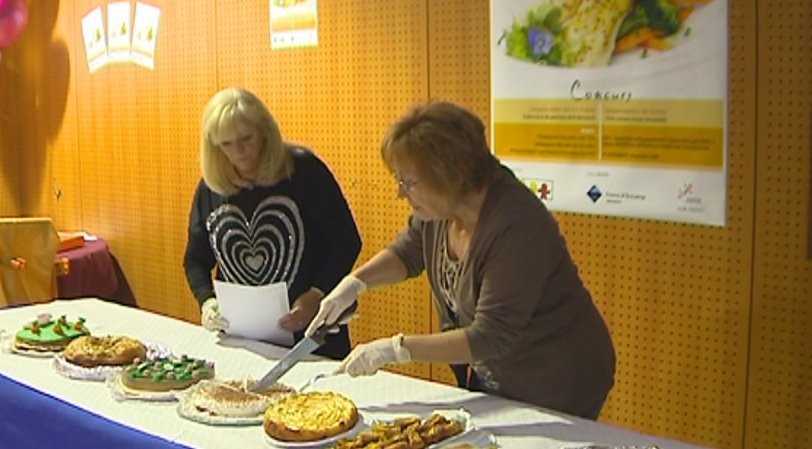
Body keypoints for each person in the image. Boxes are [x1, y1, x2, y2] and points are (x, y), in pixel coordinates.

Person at [307, 100, 615, 418]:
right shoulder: (441, 207)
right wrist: (354, 284)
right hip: (499, 370)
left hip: (557, 375)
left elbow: (491, 335)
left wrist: (395, 349)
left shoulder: (516, 224)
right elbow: (408, 253)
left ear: (451, 175)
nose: (400, 192)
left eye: (408, 183)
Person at [184, 88, 362, 359]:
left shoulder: (302, 170)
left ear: (264, 131)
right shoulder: (212, 187)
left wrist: (317, 294)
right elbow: (195, 259)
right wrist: (207, 303)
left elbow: (346, 242)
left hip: (312, 339)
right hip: (242, 341)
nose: (239, 152)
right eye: (226, 144)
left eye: (246, 139)